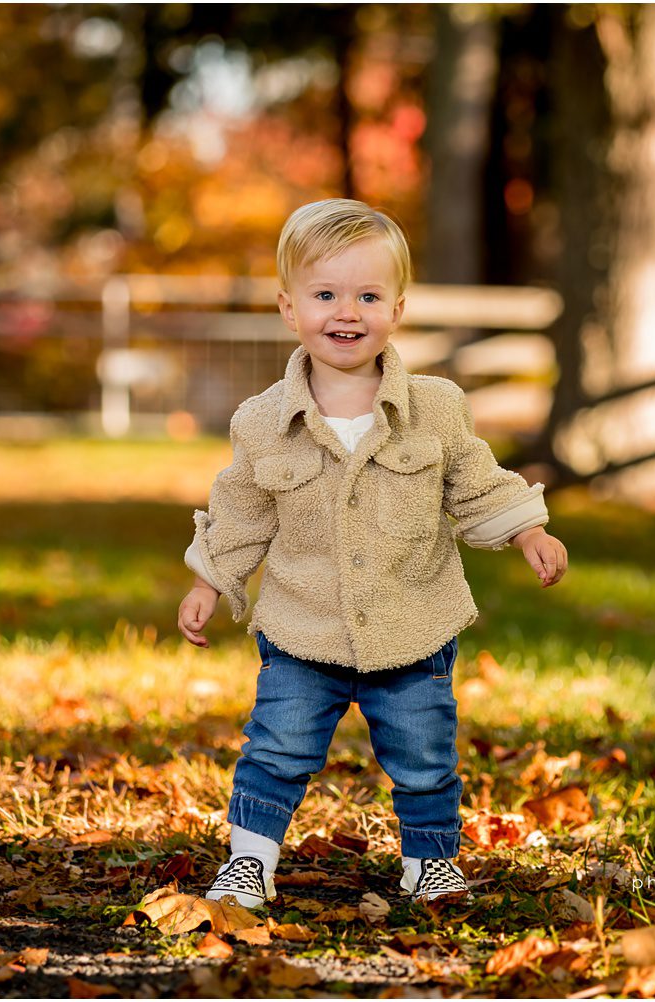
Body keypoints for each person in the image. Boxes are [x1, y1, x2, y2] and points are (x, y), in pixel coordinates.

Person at [177, 198, 569, 908]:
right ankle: (249, 862)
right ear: (288, 307)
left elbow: (475, 482)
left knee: (424, 756)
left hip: (412, 625)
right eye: (325, 294)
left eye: (367, 295)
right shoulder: (263, 421)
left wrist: (527, 532)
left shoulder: (437, 407)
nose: (346, 312)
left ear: (397, 308)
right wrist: (211, 580)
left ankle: (430, 864)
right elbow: (240, 510)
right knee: (276, 749)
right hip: (302, 630)